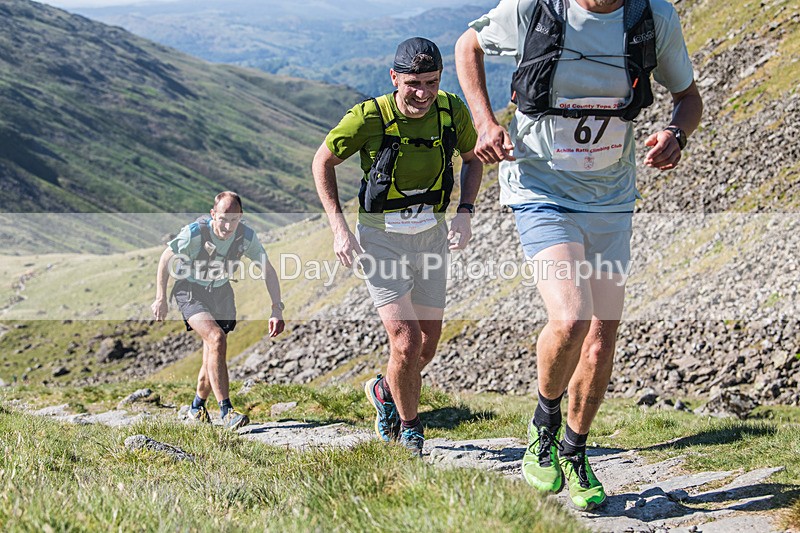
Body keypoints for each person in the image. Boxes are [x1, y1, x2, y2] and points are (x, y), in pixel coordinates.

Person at [455, 0, 702, 509]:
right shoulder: (535, 7)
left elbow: (689, 99)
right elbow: (467, 45)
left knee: (601, 334)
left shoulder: (653, 17)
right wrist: (483, 121)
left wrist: (677, 134)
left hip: (611, 196)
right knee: (570, 317)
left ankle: (574, 447)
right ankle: (543, 425)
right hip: (540, 187)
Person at [312, 37, 483, 456]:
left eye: (431, 82)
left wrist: (465, 210)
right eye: (413, 83)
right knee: (405, 341)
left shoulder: (451, 110)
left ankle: (384, 390)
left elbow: (474, 157)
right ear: (394, 78)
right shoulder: (369, 117)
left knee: (427, 343)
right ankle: (410, 430)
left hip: (431, 235)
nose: (423, 93)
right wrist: (338, 228)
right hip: (381, 237)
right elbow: (322, 163)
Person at [151, 191, 285, 431]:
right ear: (213, 214)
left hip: (221, 291)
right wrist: (161, 297)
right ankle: (226, 411)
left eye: (234, 220)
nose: (228, 225)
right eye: (223, 218)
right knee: (216, 338)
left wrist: (276, 308)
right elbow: (165, 259)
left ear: (241, 218)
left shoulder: (245, 237)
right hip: (190, 289)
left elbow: (268, 270)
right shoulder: (195, 233)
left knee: (212, 352)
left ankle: (196, 407)